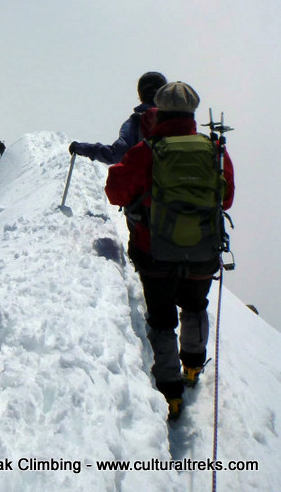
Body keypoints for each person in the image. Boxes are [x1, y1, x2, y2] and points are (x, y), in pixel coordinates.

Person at [105, 82, 234, 420]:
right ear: (192, 113)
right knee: (194, 306)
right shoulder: (214, 149)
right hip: (203, 251)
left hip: (155, 251)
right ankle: (192, 368)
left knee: (162, 320)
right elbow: (227, 197)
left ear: (158, 111)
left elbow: (115, 192)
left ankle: (170, 393)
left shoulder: (148, 150)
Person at [70, 72, 167, 165]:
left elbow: (117, 154)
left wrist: (82, 148)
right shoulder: (179, 117)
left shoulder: (136, 121)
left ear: (141, 95)